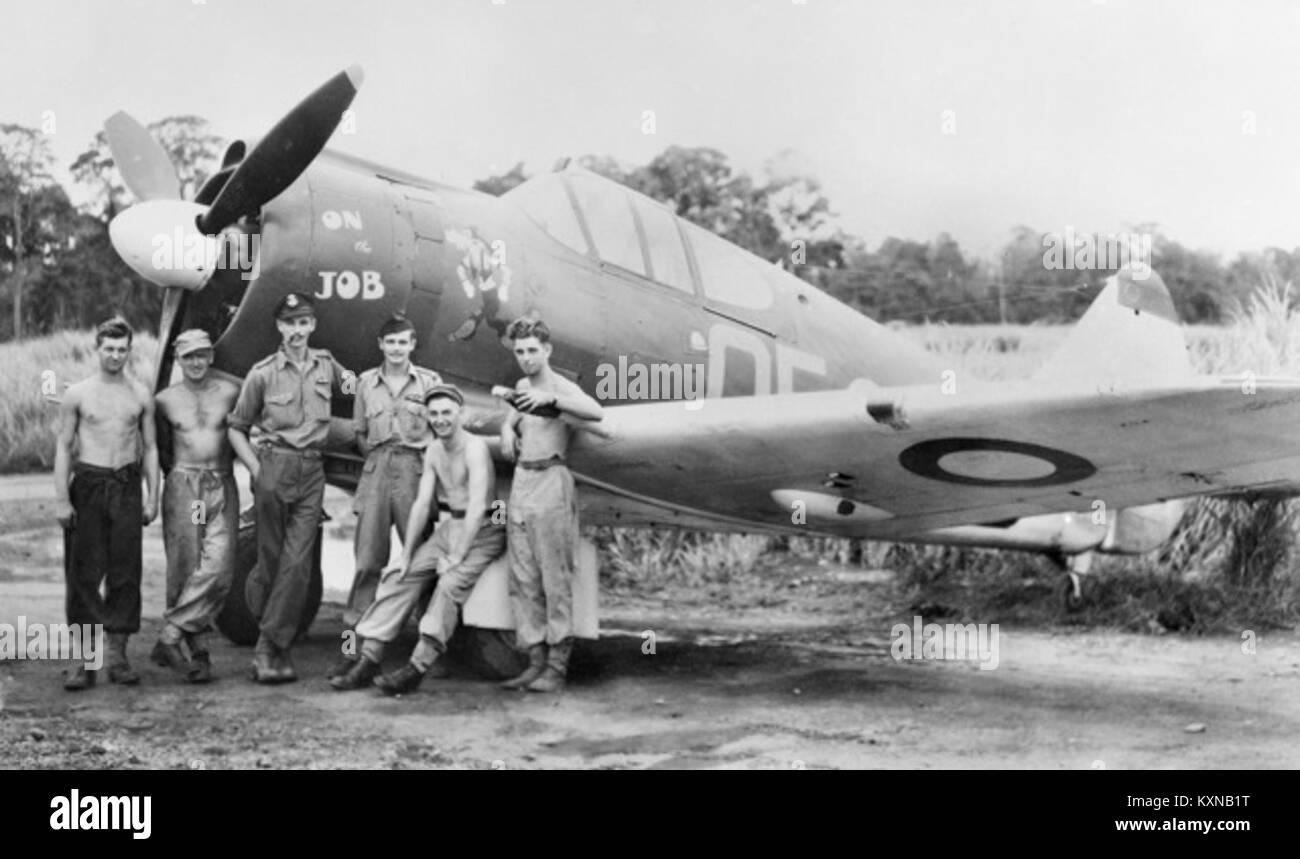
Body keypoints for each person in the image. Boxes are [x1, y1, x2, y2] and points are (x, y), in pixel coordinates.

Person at [333, 384, 506, 694]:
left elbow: (479, 505)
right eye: (434, 414)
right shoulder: (435, 450)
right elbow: (422, 504)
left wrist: (457, 556)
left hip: (484, 528)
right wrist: (409, 553)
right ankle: (368, 658)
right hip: (450, 526)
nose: (440, 420)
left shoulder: (474, 448)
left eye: (447, 413)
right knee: (399, 576)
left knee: (450, 585)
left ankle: (417, 667)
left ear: (461, 414)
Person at [228, 293, 349, 683]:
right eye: (289, 323)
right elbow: (236, 427)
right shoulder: (262, 374)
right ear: (279, 327)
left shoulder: (327, 366)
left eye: (303, 323)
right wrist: (255, 467)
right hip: (273, 470)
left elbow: (362, 388)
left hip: (313, 472)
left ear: (312, 325)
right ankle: (276, 647)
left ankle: (268, 648)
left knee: (297, 565)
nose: (297, 331)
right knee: (270, 563)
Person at [327, 315, 441, 681]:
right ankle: (352, 650)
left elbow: (441, 429)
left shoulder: (428, 382)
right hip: (376, 469)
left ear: (412, 345)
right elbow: (359, 434)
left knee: (422, 561)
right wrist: (378, 460)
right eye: (390, 342)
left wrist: (417, 463)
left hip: (414, 471)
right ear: (380, 345)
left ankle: (426, 648)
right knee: (366, 563)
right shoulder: (364, 383)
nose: (396, 349)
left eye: (403, 342)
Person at [53, 316, 160, 690]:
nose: (115, 355)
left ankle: (118, 655)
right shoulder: (78, 394)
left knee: (125, 572)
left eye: (121, 349)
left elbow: (150, 448)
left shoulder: (140, 394)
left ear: (130, 351)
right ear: (96, 349)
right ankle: (85, 661)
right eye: (108, 348)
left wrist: (153, 497)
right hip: (89, 485)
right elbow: (64, 447)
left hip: (126, 485)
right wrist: (62, 499)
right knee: (83, 574)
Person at [498, 317, 603, 693]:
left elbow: (596, 412)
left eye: (532, 351)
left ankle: (557, 666)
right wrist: (507, 428)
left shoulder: (560, 387)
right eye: (520, 351)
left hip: (551, 479)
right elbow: (514, 409)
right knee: (523, 576)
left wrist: (553, 400)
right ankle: (535, 661)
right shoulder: (523, 385)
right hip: (523, 482)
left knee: (554, 578)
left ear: (547, 350)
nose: (526, 358)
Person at [152, 330, 241, 683]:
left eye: (202, 355)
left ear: (212, 356)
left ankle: (170, 635)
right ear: (178, 358)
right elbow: (157, 448)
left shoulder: (233, 391)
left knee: (220, 566)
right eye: (188, 356)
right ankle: (199, 653)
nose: (196, 362)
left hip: (220, 483)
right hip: (186, 486)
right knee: (186, 567)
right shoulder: (164, 400)